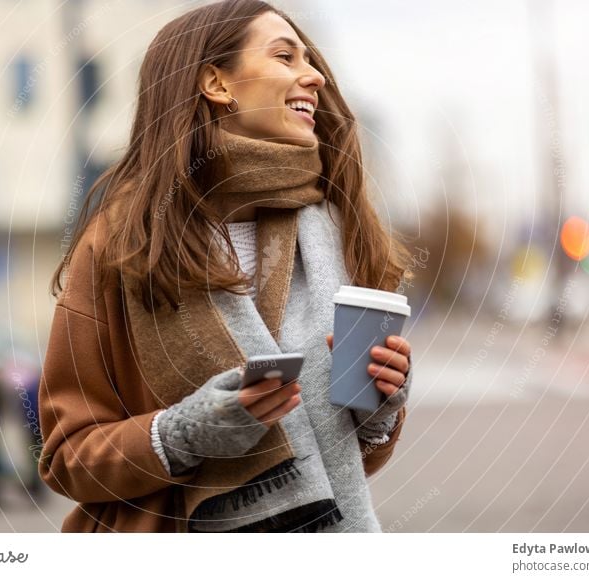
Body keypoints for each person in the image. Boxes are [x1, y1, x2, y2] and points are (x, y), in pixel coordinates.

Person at [38, 0, 414, 533]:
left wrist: (381, 409)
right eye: (285, 56)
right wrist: (183, 434)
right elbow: (66, 459)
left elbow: (355, 462)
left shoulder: (338, 231)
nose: (313, 76)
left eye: (309, 61)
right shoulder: (122, 246)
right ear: (216, 82)